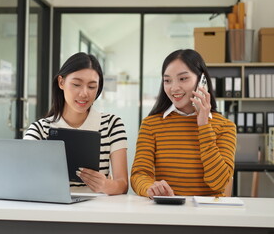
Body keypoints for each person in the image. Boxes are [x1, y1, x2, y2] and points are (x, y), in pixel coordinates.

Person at [131, 49, 236, 197]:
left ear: (202, 81)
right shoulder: (151, 124)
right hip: (166, 211)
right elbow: (139, 174)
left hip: (208, 216)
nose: (174, 88)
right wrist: (151, 188)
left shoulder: (225, 127)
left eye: (183, 79)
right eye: (167, 80)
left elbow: (219, 182)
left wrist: (204, 125)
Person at [24, 52, 128, 195]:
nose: (84, 93)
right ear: (61, 82)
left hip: (96, 210)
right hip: (53, 210)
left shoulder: (111, 124)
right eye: (76, 84)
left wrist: (105, 185)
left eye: (92, 87)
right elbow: (24, 176)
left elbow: (122, 185)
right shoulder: (40, 129)